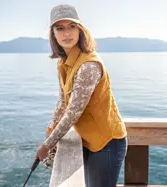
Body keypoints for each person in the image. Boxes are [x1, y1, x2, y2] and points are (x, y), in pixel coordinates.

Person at [36, 4, 128, 187]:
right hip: (87, 140)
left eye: (72, 26)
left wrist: (47, 144)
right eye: (60, 28)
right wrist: (52, 126)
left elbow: (73, 112)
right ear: (53, 34)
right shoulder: (64, 62)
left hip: (107, 142)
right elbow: (62, 101)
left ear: (80, 30)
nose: (67, 34)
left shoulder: (88, 66)